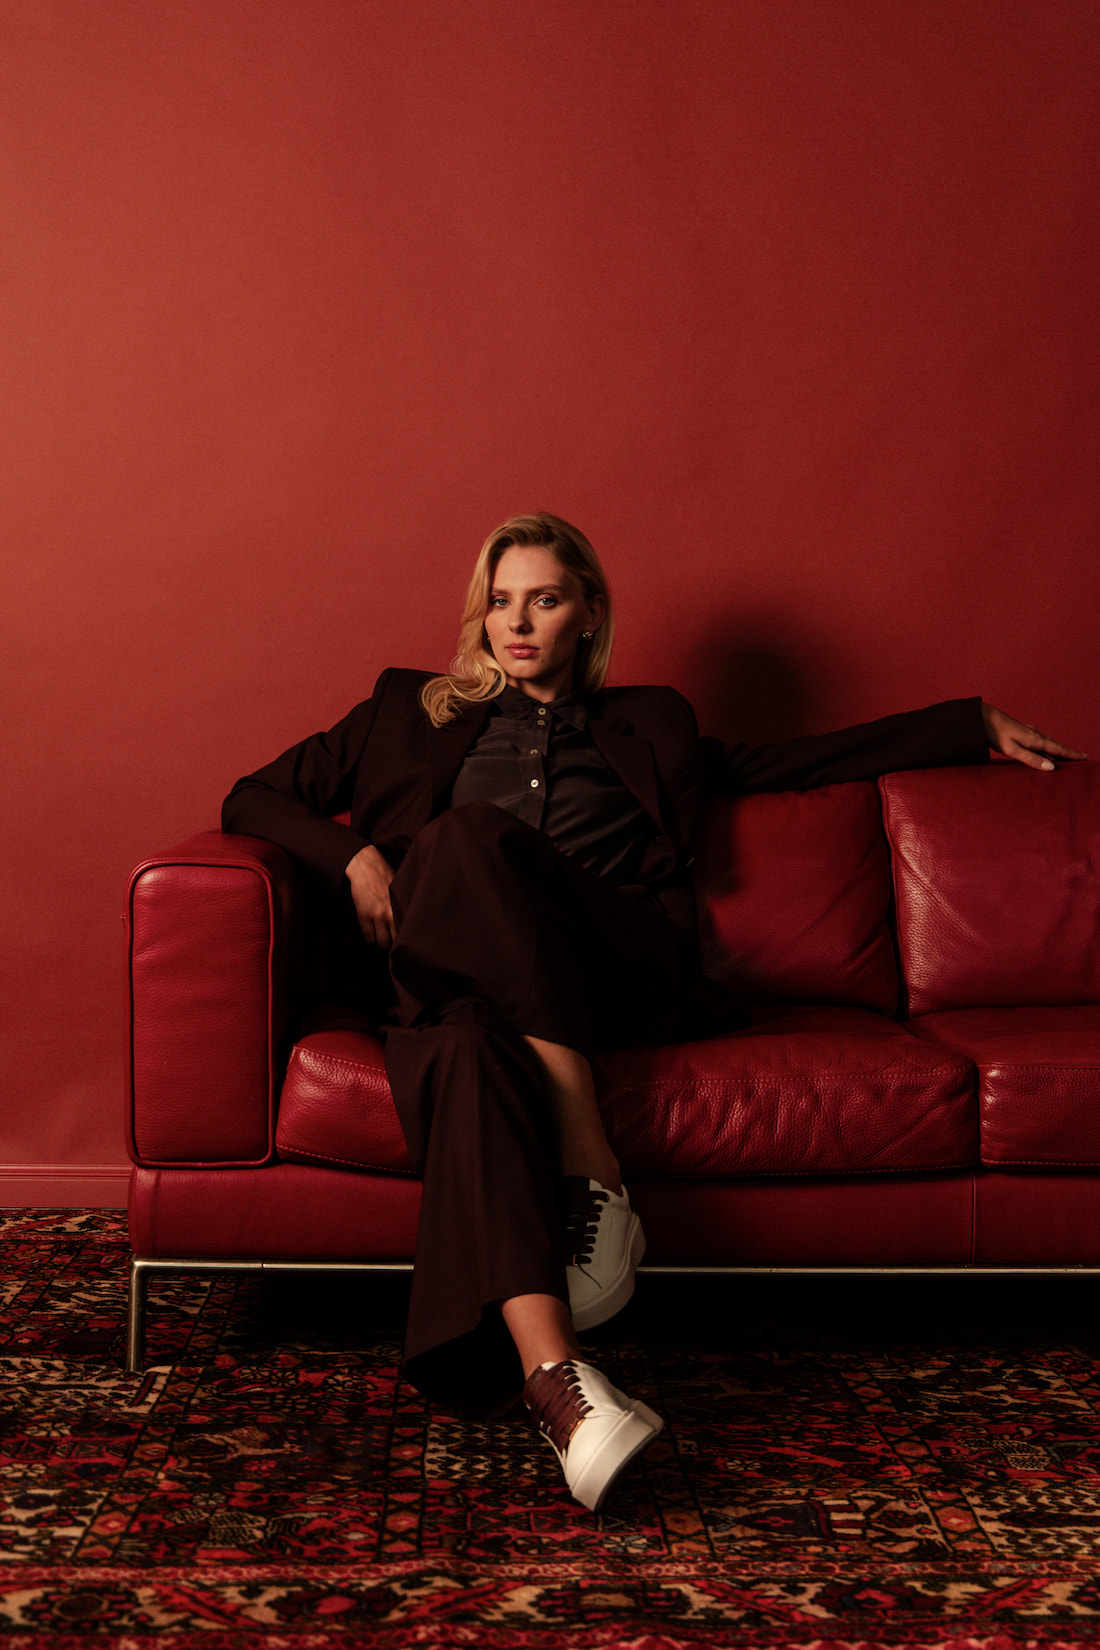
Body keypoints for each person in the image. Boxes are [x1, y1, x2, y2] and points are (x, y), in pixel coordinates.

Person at [222, 513, 1084, 1513]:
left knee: (467, 840)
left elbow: (799, 762)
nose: (517, 623)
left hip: (614, 969)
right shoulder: (404, 712)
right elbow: (254, 797)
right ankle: (559, 1387)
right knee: (464, 1053)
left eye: (544, 599)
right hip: (450, 987)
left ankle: (590, 1159)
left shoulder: (651, 724)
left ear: (588, 612)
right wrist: (353, 858)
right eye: (500, 602)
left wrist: (968, 723)